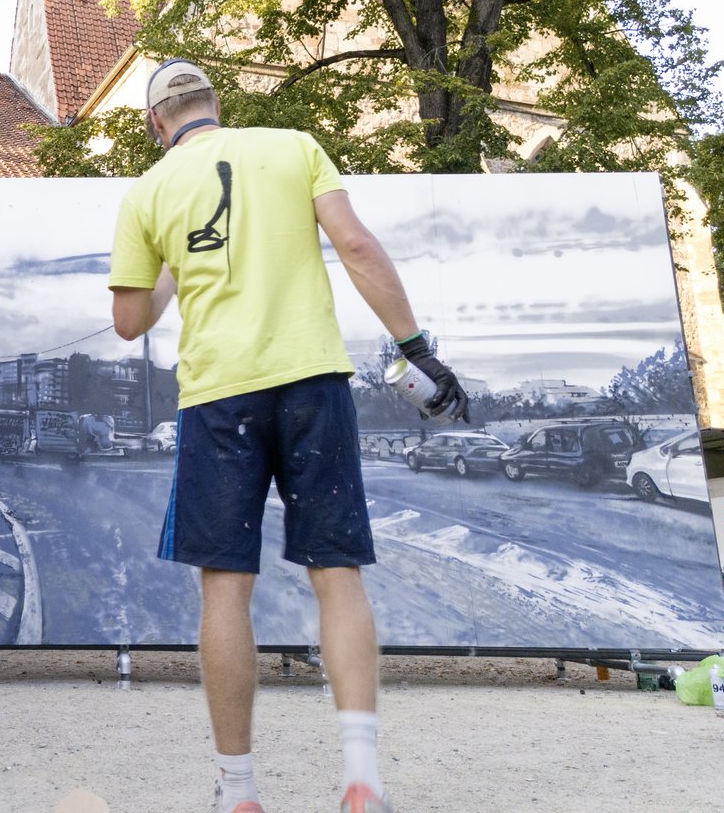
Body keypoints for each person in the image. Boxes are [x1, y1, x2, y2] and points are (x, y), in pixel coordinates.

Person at [107, 60, 468, 813]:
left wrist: (175, 261)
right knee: (337, 575)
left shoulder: (146, 192)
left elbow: (131, 320)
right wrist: (416, 348)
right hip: (312, 381)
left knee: (226, 591)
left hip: (218, 398)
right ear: (216, 105)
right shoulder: (293, 144)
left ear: (156, 124)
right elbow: (358, 247)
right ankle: (362, 779)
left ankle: (238, 793)